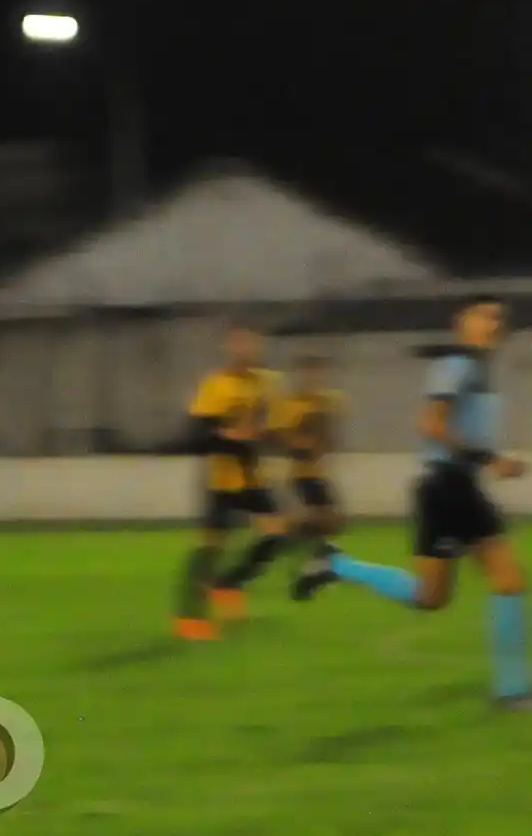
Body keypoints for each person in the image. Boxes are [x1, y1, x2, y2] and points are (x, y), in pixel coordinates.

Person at [294, 295, 532, 708]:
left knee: (433, 596)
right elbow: (430, 424)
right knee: (504, 583)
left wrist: (487, 461)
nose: (494, 323)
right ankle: (512, 692)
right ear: (461, 321)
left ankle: (336, 564)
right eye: (484, 315)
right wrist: (491, 459)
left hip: (457, 485)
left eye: (498, 318)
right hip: (446, 487)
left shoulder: (476, 369)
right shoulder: (457, 365)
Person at [174, 324, 289, 637]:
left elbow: (272, 429)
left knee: (278, 536)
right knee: (211, 548)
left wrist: (270, 435)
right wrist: (232, 438)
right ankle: (189, 618)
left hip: (254, 478)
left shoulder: (268, 383)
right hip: (222, 481)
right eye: (238, 345)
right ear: (228, 347)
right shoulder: (216, 384)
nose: (245, 350)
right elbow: (196, 437)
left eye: (251, 344)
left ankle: (228, 584)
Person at [272, 354, 346, 573]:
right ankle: (291, 546)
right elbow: (283, 440)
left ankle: (305, 550)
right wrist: (300, 442)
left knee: (330, 521)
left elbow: (330, 438)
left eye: (317, 374)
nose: (314, 379)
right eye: (308, 374)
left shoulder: (329, 402)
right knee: (324, 519)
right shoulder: (290, 405)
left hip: (318, 473)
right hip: (301, 475)